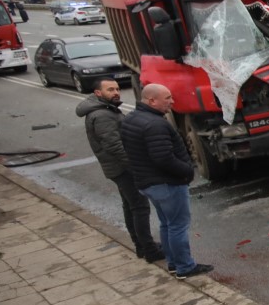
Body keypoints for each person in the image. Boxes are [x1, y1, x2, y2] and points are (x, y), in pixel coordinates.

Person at [120, 83, 213, 279]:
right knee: (178, 225)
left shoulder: (133, 119)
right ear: (152, 101)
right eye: (167, 98)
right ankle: (185, 267)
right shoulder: (155, 125)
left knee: (167, 224)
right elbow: (163, 158)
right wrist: (186, 172)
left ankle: (172, 263)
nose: (172, 101)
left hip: (149, 183)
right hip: (166, 183)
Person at [75, 79, 161, 263]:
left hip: (118, 167)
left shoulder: (105, 109)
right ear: (98, 93)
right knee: (139, 207)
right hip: (122, 169)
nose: (116, 92)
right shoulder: (103, 115)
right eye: (110, 89)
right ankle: (149, 249)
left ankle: (142, 245)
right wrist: (135, 167)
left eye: (117, 89)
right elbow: (114, 146)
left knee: (130, 206)